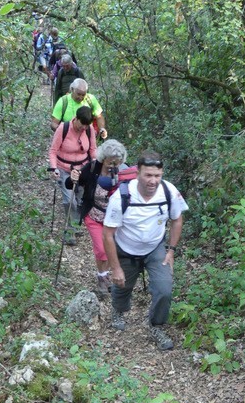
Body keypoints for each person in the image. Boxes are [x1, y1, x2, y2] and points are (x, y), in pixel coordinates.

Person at [103, 152, 188, 351]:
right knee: (122, 285)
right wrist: (115, 268)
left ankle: (157, 325)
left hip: (155, 247)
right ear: (137, 173)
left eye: (157, 176)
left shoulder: (168, 191)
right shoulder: (121, 196)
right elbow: (108, 234)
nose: (153, 181)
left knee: (164, 289)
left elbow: (177, 219)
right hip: (126, 248)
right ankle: (118, 310)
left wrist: (171, 250)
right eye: (148, 175)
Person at [66, 139, 128, 295]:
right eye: (110, 162)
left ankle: (104, 275)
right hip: (94, 214)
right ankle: (102, 278)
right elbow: (71, 184)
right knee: (102, 250)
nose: (113, 166)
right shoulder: (93, 167)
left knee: (110, 249)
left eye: (117, 162)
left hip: (114, 219)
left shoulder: (124, 171)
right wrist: (73, 177)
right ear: (103, 158)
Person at [48, 106, 97, 242]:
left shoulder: (89, 130)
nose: (84, 128)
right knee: (69, 201)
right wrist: (54, 168)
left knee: (81, 199)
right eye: (82, 124)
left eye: (86, 126)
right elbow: (53, 151)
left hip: (83, 169)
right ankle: (70, 233)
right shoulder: (63, 128)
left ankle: (76, 225)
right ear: (76, 119)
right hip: (64, 169)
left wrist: (94, 162)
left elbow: (93, 149)